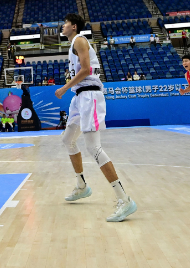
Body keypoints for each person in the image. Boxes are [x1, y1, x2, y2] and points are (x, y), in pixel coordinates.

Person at [55, 13, 137, 223]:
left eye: (65, 23)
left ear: (74, 26)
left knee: (94, 148)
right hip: (79, 97)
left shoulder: (79, 40)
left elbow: (86, 70)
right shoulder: (73, 44)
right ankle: (82, 185)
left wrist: (64, 87)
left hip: (90, 95)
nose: (62, 26)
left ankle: (124, 199)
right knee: (68, 139)